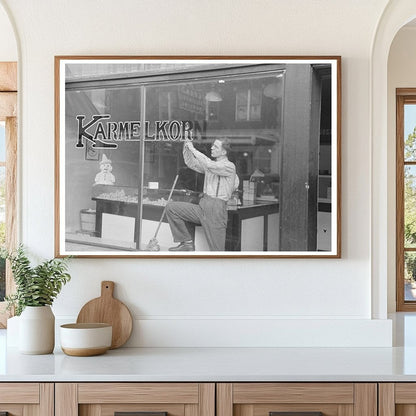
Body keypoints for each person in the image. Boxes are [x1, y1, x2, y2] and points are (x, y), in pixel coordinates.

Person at [166, 138, 239, 251]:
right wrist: (186, 147)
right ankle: (187, 243)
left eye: (215, 147)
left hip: (216, 210)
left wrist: (193, 149)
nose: (211, 148)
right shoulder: (211, 164)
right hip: (203, 205)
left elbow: (209, 165)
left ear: (224, 152)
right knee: (171, 208)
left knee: (217, 252)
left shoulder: (229, 166)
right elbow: (191, 163)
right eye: (212, 145)